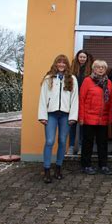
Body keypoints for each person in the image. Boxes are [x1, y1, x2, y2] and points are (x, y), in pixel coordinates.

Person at [38, 54, 79, 183]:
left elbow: (75, 99)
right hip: (51, 114)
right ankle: (46, 170)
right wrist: (42, 116)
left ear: (67, 65)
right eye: (59, 62)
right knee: (49, 141)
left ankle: (59, 168)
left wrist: (73, 116)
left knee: (62, 141)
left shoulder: (72, 79)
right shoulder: (48, 78)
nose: (61, 65)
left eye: (64, 63)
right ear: (56, 64)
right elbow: (43, 98)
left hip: (65, 115)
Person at [79, 60, 112, 175]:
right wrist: (81, 117)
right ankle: (86, 165)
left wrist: (110, 117)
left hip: (103, 119)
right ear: (93, 69)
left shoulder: (108, 82)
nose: (100, 69)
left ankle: (103, 165)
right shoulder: (87, 81)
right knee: (87, 143)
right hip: (89, 118)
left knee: (102, 144)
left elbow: (111, 101)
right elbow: (82, 100)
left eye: (103, 68)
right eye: (98, 67)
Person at [69, 50, 94, 155]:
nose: (82, 59)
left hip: (85, 100)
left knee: (83, 125)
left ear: (87, 58)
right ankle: (71, 146)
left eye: (84, 57)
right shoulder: (73, 69)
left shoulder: (90, 70)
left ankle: (80, 146)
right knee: (72, 123)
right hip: (74, 99)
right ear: (77, 58)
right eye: (80, 57)